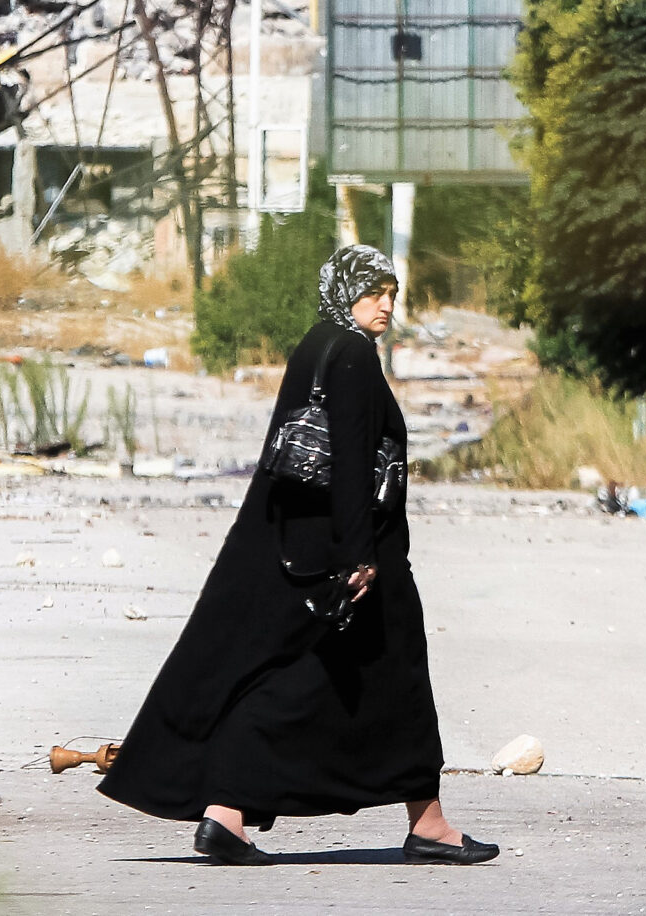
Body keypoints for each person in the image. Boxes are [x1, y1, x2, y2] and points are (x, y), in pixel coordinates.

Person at [100, 244, 498, 867]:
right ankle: (415, 824)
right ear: (346, 291)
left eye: (393, 293)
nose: (387, 305)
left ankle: (240, 813)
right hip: (356, 557)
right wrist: (359, 557)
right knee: (364, 686)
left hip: (304, 547)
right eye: (374, 292)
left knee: (343, 685)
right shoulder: (353, 355)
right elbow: (348, 462)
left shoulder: (315, 344)